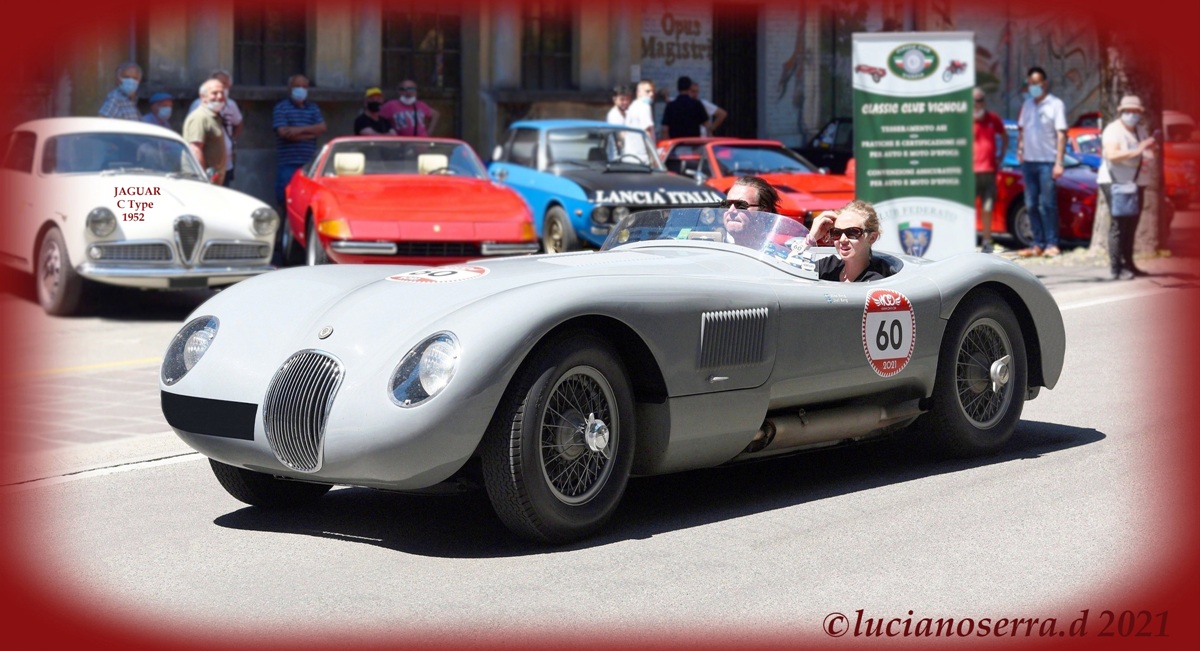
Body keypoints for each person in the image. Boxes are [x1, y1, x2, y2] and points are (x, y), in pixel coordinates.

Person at [1098, 95, 1156, 280]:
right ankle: (1116, 268)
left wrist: (1148, 152)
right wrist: (1139, 150)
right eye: (1128, 111)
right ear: (1121, 112)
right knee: (1118, 225)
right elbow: (1112, 155)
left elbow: (1145, 152)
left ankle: (1129, 264)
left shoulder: (1140, 131)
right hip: (1115, 182)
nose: (1132, 114)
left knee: (1131, 225)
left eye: (1135, 111)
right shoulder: (1113, 130)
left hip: (1135, 183)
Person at [1016, 66, 1067, 257]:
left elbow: (1062, 134)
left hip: (1047, 162)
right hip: (1029, 162)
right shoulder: (1027, 105)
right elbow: (1021, 130)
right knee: (1030, 204)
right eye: (1030, 84)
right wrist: (1020, 150)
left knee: (1048, 205)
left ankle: (1052, 244)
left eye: (1036, 83)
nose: (1033, 87)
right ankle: (1037, 243)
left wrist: (1059, 162)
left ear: (1044, 83)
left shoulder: (1055, 104)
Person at [272, 74, 326, 208]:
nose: (301, 89)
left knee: (306, 201)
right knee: (285, 199)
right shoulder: (281, 107)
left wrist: (296, 131)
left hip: (309, 164)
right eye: (297, 86)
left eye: (304, 87)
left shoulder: (312, 107)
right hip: (288, 163)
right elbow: (284, 133)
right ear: (290, 88)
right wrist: (310, 133)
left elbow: (322, 128)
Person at [804, 200, 889, 282]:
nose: (842, 239)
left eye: (852, 232)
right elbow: (793, 271)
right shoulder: (828, 266)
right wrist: (811, 238)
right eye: (836, 233)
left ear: (872, 238)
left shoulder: (874, 283)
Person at [189, 70, 244, 187]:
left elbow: (238, 123)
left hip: (225, 163)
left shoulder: (230, 105)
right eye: (216, 90)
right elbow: (195, 147)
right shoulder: (199, 111)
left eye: (224, 85)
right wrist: (203, 174)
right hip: (208, 168)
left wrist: (232, 141)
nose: (220, 92)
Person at [973, 87, 1008, 253]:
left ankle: (987, 240)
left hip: (989, 170)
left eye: (979, 100)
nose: (976, 104)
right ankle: (970, 240)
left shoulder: (992, 119)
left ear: (984, 101)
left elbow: (1004, 136)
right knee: (969, 209)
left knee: (987, 208)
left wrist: (1000, 156)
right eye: (973, 100)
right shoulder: (965, 120)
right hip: (970, 173)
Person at [182, 79, 228, 185]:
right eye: (215, 93)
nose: (220, 96)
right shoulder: (200, 117)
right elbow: (195, 149)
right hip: (203, 183)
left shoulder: (214, 116)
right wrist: (203, 180)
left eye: (222, 93)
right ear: (203, 97)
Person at [721, 176, 781, 247]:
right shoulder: (715, 252)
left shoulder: (775, 257)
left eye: (741, 205)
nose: (731, 210)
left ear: (764, 213)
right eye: (727, 204)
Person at [660, 76, 711, 140]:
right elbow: (707, 125)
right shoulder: (697, 104)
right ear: (690, 88)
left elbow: (665, 129)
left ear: (678, 88)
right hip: (694, 144)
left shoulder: (671, 106)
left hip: (676, 144)